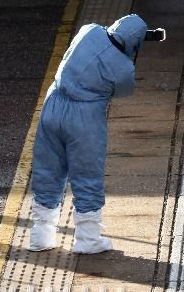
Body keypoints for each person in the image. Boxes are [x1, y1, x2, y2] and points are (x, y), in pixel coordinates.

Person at [27, 14, 150, 254]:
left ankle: (40, 236)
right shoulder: (124, 68)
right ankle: (88, 240)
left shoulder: (88, 30)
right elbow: (124, 91)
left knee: (47, 170)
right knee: (86, 175)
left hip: (53, 104)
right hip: (84, 118)